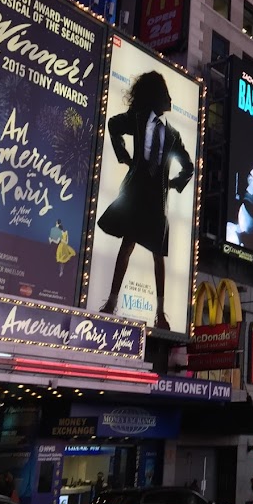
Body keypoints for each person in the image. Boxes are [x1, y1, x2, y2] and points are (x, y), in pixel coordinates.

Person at [97, 72, 194, 330]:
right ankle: (112, 302)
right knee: (127, 245)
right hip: (136, 192)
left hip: (157, 200)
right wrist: (124, 156)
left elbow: (189, 167)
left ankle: (160, 313)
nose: (170, 99)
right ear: (154, 97)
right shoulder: (138, 120)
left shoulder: (172, 135)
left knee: (157, 254)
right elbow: (113, 127)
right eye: (165, 94)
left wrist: (172, 184)